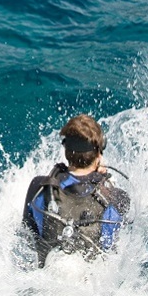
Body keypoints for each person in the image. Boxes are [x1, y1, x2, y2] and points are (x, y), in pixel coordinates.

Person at [22, 114, 130, 267]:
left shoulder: (39, 187)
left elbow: (27, 235)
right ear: (99, 152)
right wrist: (103, 179)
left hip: (47, 278)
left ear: (66, 150)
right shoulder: (117, 197)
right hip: (93, 284)